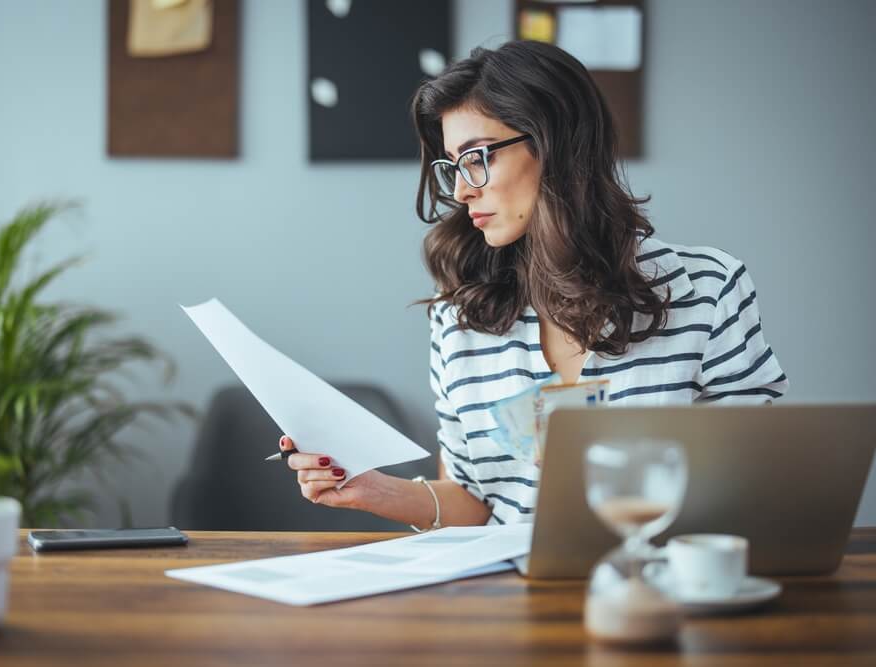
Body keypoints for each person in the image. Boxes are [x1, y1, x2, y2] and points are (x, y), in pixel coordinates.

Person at [278, 40, 789, 530]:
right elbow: (475, 503)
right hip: (511, 600)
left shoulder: (708, 288)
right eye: (452, 165)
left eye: (478, 157)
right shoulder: (458, 320)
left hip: (662, 590)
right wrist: (371, 490)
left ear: (555, 143)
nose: (460, 189)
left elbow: (757, 480)